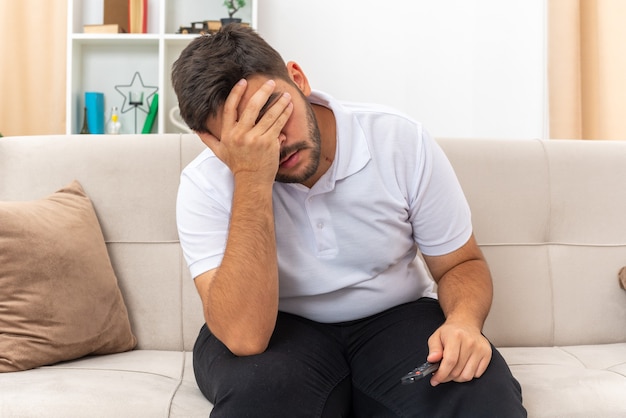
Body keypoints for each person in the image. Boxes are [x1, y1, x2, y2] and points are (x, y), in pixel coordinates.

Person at [171, 24, 526, 417]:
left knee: (481, 394)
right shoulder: (203, 183)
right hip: (274, 330)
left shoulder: (398, 139)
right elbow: (244, 336)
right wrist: (251, 177)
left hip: (395, 319)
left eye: (273, 115)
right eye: (247, 135)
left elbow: (462, 264)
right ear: (213, 141)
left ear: (298, 79)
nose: (276, 142)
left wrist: (463, 322)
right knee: (264, 396)